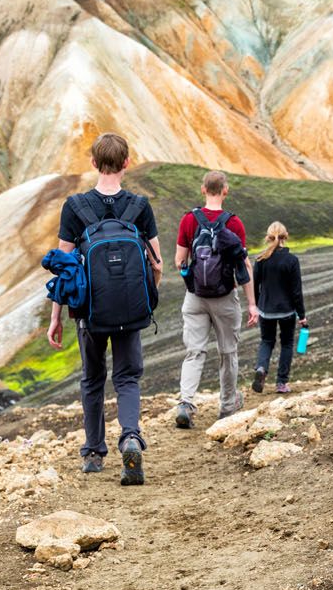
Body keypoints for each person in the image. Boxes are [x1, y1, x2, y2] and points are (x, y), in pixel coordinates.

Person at [47, 132, 162, 485]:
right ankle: (130, 437)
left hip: (89, 314)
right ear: (126, 163)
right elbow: (157, 266)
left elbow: (65, 267)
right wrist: (145, 300)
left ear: (94, 163)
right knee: (127, 377)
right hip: (130, 312)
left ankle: (94, 452)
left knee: (92, 379)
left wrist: (56, 317)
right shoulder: (139, 207)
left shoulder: (75, 207)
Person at [173, 170, 257, 428]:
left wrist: (192, 281)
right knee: (228, 353)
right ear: (225, 191)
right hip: (225, 297)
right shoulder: (234, 223)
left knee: (194, 352)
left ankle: (186, 403)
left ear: (202, 190)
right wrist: (252, 303)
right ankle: (227, 406)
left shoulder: (189, 220)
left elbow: (179, 261)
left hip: (195, 297)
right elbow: (244, 267)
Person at [251, 222, 307, 394]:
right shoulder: (292, 260)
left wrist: (257, 305)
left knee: (267, 341)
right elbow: (296, 291)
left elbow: (255, 286)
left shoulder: (260, 259)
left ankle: (261, 368)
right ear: (286, 236)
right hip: (287, 310)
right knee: (287, 344)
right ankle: (281, 383)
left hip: (266, 309)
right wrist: (302, 315)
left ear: (268, 237)